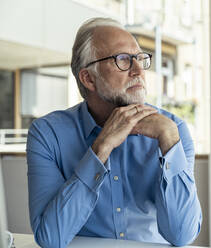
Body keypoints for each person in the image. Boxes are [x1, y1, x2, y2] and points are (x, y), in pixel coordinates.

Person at [26, 17, 202, 248]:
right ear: (88, 78)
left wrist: (170, 142)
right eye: (123, 60)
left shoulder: (172, 129)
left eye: (140, 58)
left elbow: (182, 235)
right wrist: (101, 149)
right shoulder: (47, 134)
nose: (139, 70)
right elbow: (51, 239)